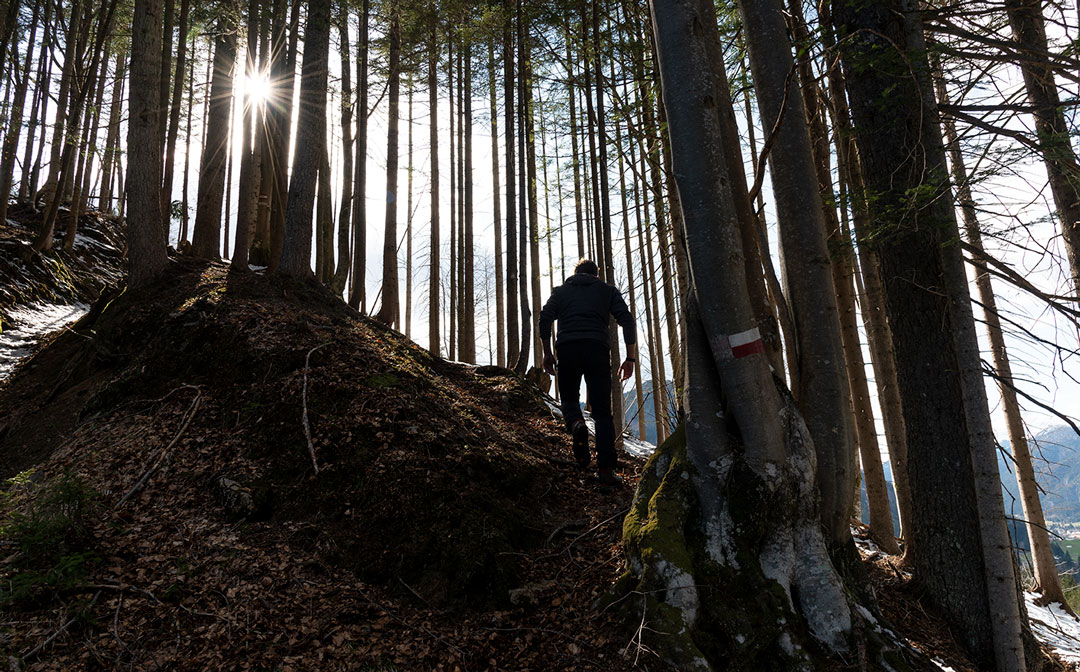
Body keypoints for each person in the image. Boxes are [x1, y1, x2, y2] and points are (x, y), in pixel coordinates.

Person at [539, 259, 636, 486]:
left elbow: (545, 318)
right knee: (602, 412)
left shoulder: (560, 292)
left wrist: (547, 353)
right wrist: (630, 358)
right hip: (597, 350)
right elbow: (627, 321)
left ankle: (576, 424)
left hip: (567, 348)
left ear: (576, 274)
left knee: (570, 400)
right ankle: (605, 471)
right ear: (596, 275)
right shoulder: (607, 291)